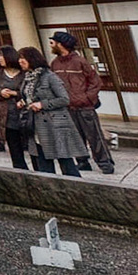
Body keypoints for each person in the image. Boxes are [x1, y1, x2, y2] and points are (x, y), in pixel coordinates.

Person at [49, 30, 116, 173]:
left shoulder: (80, 61)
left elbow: (95, 82)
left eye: (53, 42)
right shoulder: (54, 63)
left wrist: (86, 98)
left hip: (85, 107)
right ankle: (82, 161)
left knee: (95, 136)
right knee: (74, 136)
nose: (51, 45)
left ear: (60, 44)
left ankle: (105, 163)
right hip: (66, 107)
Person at [19, 45, 84, 176]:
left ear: (32, 59)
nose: (20, 61)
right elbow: (29, 97)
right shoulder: (27, 78)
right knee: (42, 162)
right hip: (35, 125)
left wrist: (43, 104)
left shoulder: (49, 76)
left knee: (65, 161)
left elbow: (64, 99)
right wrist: (24, 102)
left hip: (54, 124)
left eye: (23, 58)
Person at [0, 46, 26, 166]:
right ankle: (20, 169)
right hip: (5, 113)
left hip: (24, 112)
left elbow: (30, 90)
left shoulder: (23, 72)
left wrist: (16, 93)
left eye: (1, 55)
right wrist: (0, 92)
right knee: (14, 146)